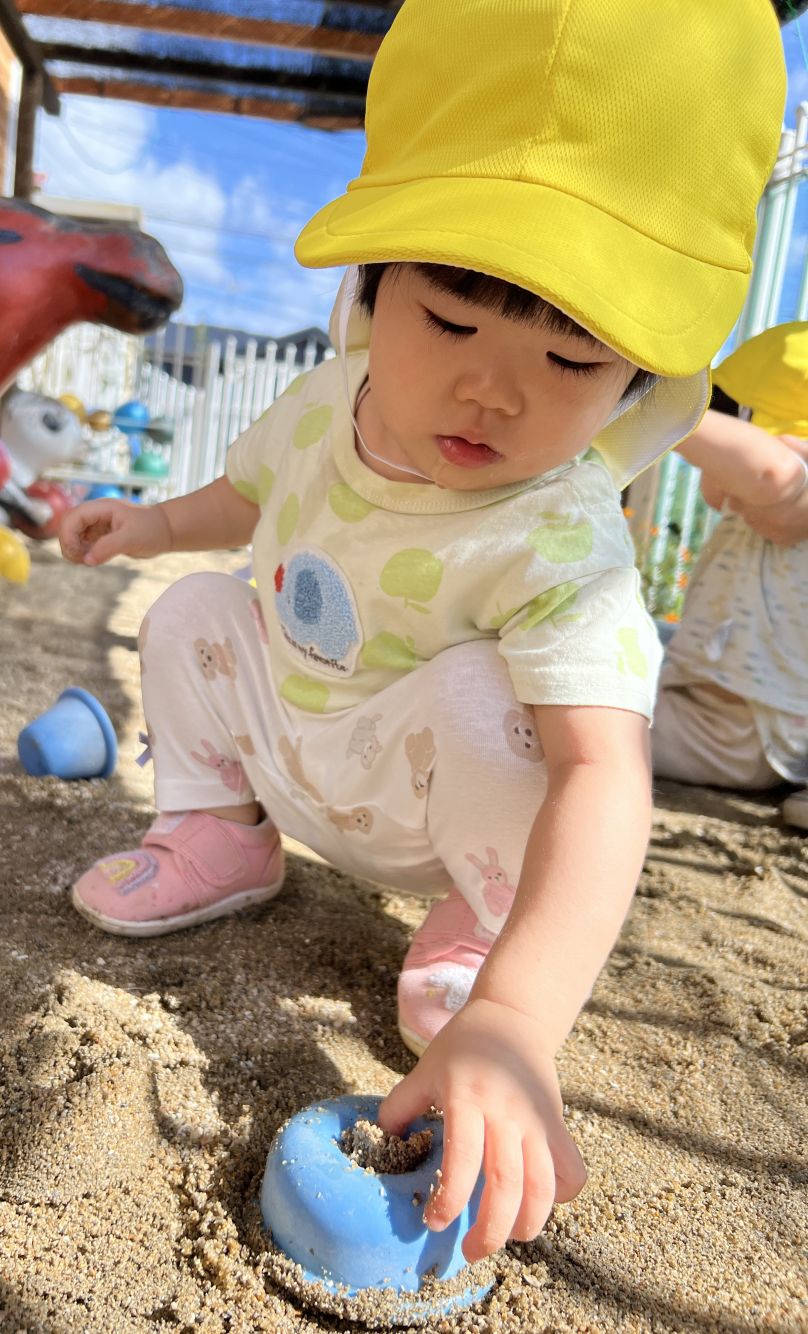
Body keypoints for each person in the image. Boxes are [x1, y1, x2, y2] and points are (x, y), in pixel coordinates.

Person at [58, 0, 784, 1267]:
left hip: (440, 807)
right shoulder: (325, 398)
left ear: (640, 388)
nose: (491, 389)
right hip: (299, 740)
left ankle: (479, 930)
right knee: (193, 612)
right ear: (371, 284)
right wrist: (147, 523)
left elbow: (604, 775)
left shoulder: (563, 540)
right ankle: (220, 834)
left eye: (569, 358)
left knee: (490, 695)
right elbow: (244, 498)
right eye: (449, 322)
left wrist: (516, 1016)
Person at [653, 322, 808, 830]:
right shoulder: (753, 502)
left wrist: (664, 407)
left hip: (743, 732)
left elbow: (773, 477)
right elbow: (742, 484)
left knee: (587, 715)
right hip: (717, 701)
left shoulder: (792, 491)